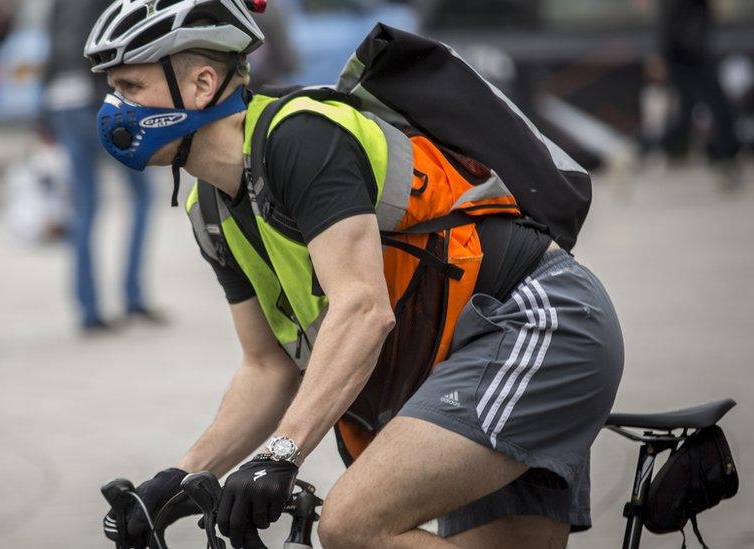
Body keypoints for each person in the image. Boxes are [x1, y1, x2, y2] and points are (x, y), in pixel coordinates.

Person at [87, 1, 623, 547]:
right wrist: (182, 478)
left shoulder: (299, 137)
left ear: (202, 84)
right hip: (457, 358)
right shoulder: (210, 208)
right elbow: (268, 366)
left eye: (131, 86)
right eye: (112, 88)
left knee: (352, 525)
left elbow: (363, 310)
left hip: (534, 321)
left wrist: (282, 452)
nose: (113, 107)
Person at [43, 0, 162, 332]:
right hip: (97, 99)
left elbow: (50, 47)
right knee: (141, 194)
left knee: (85, 208)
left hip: (61, 102)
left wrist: (43, 117)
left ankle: (88, 309)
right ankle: (133, 296)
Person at [657, 0, 743, 187]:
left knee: (700, 100)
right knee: (696, 100)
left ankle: (722, 152)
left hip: (688, 44)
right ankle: (719, 152)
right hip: (686, 45)